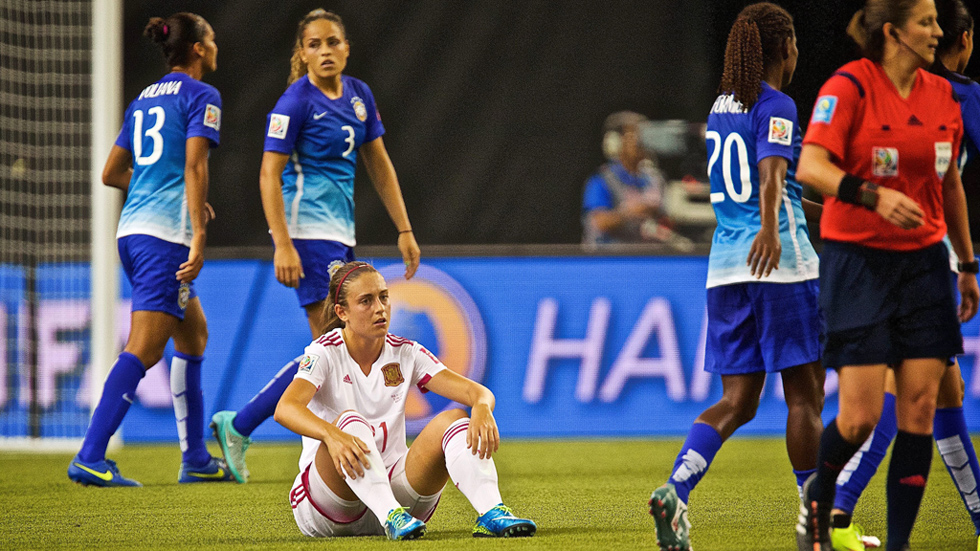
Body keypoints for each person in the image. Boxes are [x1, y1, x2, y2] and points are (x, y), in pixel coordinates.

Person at [794, 0, 980, 549]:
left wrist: (966, 263)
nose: (938, 31)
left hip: (925, 264)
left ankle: (898, 545)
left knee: (920, 409)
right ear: (894, 33)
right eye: (926, 22)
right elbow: (811, 167)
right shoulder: (849, 86)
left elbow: (950, 185)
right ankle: (819, 502)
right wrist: (871, 196)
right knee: (860, 417)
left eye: (937, 21)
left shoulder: (943, 95)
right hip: (859, 263)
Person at [209, 9, 421, 484]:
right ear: (302, 53)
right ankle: (313, 447)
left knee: (331, 348)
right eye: (314, 44)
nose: (325, 51)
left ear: (346, 48)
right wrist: (282, 243)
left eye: (333, 42)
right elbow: (268, 173)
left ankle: (241, 425)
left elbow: (379, 162)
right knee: (334, 346)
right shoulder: (294, 103)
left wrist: (404, 229)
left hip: (339, 236)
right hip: (307, 234)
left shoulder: (359, 95)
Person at [648, 5, 825, 550]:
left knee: (738, 400)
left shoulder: (722, 106)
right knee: (805, 397)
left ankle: (676, 490)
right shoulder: (777, 105)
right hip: (779, 264)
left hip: (726, 268)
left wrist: (842, 212)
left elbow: (771, 187)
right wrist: (771, 230)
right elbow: (771, 177)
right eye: (795, 45)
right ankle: (815, 517)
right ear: (785, 47)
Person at [68, 13, 232, 486]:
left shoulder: (143, 98)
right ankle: (90, 456)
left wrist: (159, 186)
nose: (215, 45)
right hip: (164, 239)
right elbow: (195, 166)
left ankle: (195, 458)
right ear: (198, 48)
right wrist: (198, 232)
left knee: (193, 335)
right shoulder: (202, 95)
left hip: (133, 232)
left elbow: (111, 173)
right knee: (144, 347)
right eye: (211, 38)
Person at [274, 261, 535, 540]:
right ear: (342, 312)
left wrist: (482, 407)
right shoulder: (324, 352)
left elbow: (477, 392)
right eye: (366, 301)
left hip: (401, 504)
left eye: (384, 297)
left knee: (456, 419)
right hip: (330, 504)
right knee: (351, 423)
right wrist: (331, 435)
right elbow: (285, 409)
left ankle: (491, 511)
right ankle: (390, 514)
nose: (380, 308)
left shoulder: (406, 352)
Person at [581, 111, 690, 249]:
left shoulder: (656, 179)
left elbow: (670, 220)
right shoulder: (602, 180)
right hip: (611, 257)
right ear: (616, 142)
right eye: (634, 135)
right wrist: (631, 213)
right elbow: (598, 222)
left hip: (649, 256)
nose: (641, 141)